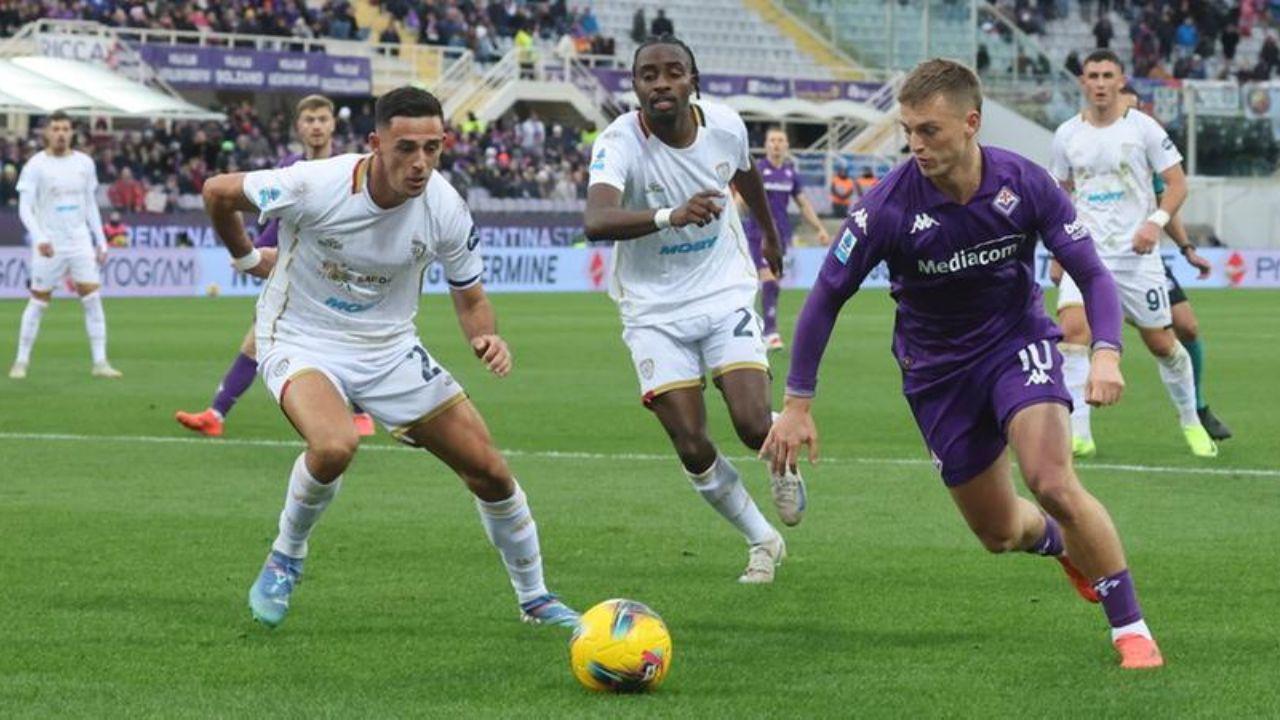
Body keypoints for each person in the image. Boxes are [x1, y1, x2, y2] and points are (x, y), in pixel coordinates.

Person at [764, 58, 1164, 670]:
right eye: (909, 130)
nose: (915, 144)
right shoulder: (887, 209)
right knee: (999, 533)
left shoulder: (1025, 182)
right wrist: (797, 404)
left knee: (1052, 480)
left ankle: (1130, 628)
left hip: (1016, 343)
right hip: (936, 373)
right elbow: (824, 299)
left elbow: (1091, 273)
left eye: (930, 130)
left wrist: (1106, 351)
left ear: (971, 122)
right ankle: (1062, 546)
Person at [201, 86, 579, 630]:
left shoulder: (446, 207)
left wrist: (485, 337)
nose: (420, 162)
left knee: (492, 473)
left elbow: (471, 297)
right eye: (406, 147)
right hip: (302, 336)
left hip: (390, 348)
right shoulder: (315, 183)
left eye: (432, 147)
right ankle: (287, 555)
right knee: (335, 445)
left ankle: (536, 598)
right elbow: (217, 191)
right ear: (375, 143)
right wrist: (242, 257)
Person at [584, 37, 804, 584]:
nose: (661, 83)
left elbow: (745, 173)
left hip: (722, 289)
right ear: (635, 87)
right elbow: (596, 220)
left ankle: (782, 453)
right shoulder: (618, 143)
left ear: (693, 81)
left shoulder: (726, 125)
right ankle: (761, 539)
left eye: (673, 73)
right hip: (652, 309)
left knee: (753, 425)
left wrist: (771, 238)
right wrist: (668, 216)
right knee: (690, 440)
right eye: (648, 75)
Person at [176, 96, 377, 438]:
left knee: (337, 337)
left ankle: (361, 411)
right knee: (259, 337)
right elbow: (275, 218)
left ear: (332, 125)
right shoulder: (289, 167)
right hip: (295, 269)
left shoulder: (351, 168)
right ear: (299, 127)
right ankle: (215, 414)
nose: (316, 126)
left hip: (334, 270)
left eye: (322, 119)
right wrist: (253, 251)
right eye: (309, 119)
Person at [1050, 51, 1216, 458]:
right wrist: (1057, 247)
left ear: (1121, 79)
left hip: (1135, 256)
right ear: (1083, 82)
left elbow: (1177, 184)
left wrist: (1154, 222)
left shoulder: (1144, 128)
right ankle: (1080, 433)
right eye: (1093, 76)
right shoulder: (1066, 134)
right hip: (1084, 253)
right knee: (1073, 332)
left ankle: (1191, 421)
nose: (1101, 83)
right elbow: (1058, 194)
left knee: (1162, 343)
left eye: (1108, 75)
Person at [9, 111, 121, 381]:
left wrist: (101, 240)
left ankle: (100, 362)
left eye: (65, 129)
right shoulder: (36, 165)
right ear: (46, 133)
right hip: (50, 243)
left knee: (92, 299)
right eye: (56, 128)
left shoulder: (84, 163)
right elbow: (25, 208)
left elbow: (90, 204)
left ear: (72, 132)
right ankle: (21, 362)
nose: (60, 133)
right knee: (38, 302)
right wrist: (40, 237)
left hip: (80, 241)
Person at [739, 127, 830, 350]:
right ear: (766, 145)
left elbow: (803, 204)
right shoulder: (757, 170)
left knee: (774, 283)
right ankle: (770, 332)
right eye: (772, 140)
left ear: (787, 145)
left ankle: (759, 327)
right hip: (757, 235)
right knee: (768, 279)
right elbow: (739, 202)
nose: (776, 144)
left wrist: (819, 228)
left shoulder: (790, 174)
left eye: (781, 140)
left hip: (781, 237)